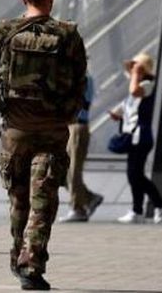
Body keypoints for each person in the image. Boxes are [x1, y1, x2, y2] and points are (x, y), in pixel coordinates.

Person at [0, 0, 86, 291]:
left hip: (15, 133)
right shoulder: (68, 35)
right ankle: (32, 263)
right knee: (43, 202)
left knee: (19, 200)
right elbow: (80, 80)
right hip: (52, 132)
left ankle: (16, 253)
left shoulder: (3, 31)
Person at [110, 53, 162, 224]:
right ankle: (141, 210)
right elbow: (127, 106)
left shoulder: (147, 84)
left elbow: (135, 91)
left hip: (141, 137)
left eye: (136, 67)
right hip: (133, 137)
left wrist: (136, 75)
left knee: (135, 174)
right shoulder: (138, 84)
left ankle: (157, 206)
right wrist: (117, 115)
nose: (132, 70)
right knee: (135, 174)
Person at [59, 73, 104, 222]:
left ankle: (78, 208)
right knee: (63, 171)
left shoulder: (80, 78)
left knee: (73, 170)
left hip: (77, 126)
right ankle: (90, 198)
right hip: (70, 126)